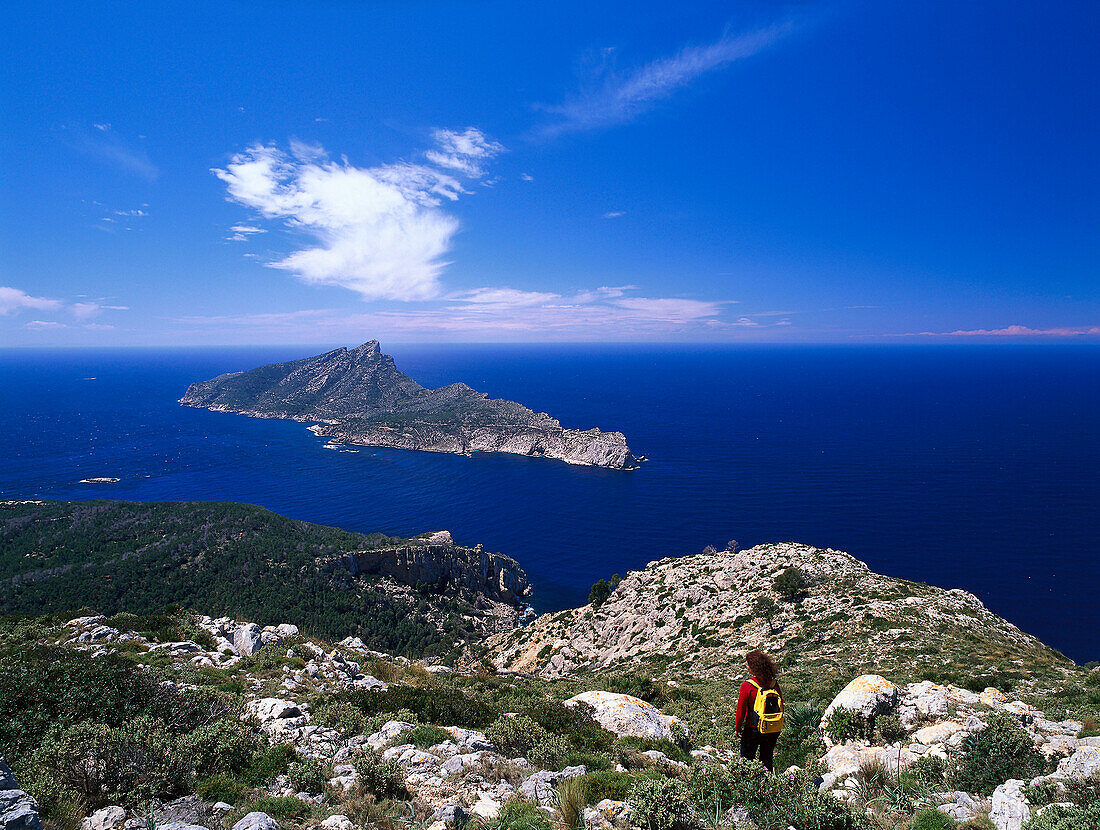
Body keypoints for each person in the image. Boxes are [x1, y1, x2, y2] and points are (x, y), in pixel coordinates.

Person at [735, 649, 783, 770]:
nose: (746, 666)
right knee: (767, 759)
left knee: (746, 759)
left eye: (747, 664)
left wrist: (737, 728)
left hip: (753, 728)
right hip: (772, 727)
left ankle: (746, 786)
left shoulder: (747, 685)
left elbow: (741, 710)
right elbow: (781, 703)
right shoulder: (773, 684)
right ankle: (767, 785)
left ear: (753, 667)